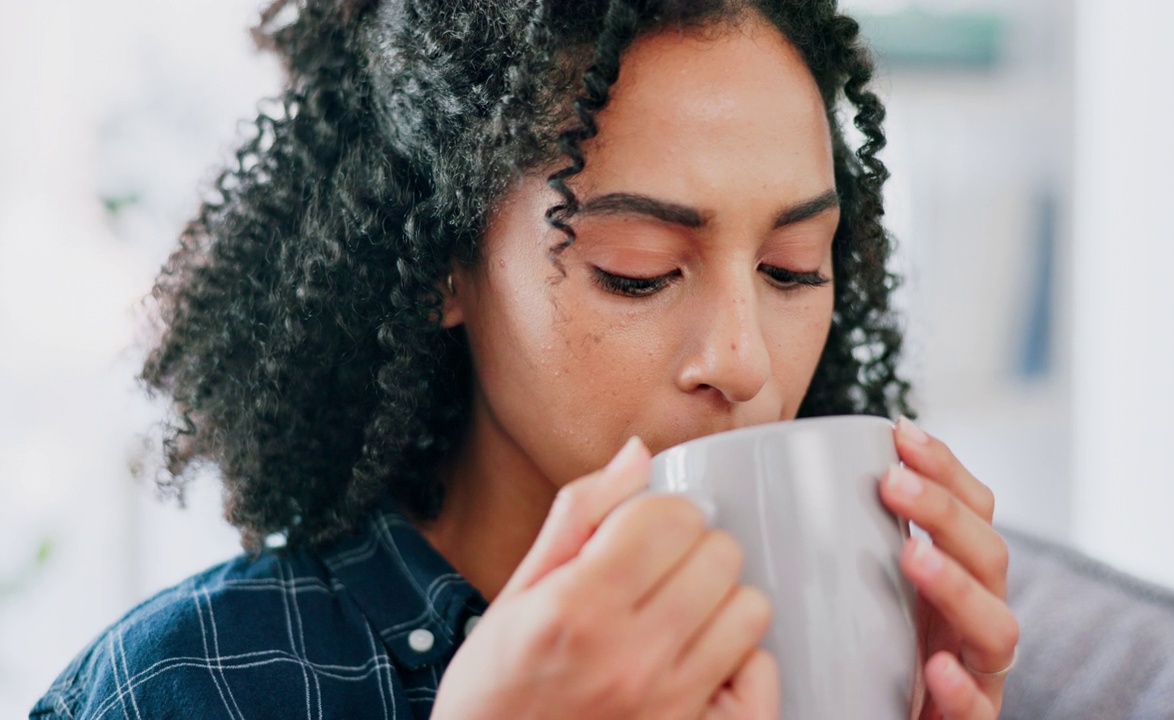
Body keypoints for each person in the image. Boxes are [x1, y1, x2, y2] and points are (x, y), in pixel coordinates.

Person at [31, 1, 1018, 718]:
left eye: (791, 269)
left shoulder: (863, 660)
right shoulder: (191, 685)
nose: (741, 359)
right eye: (637, 272)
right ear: (443, 268)